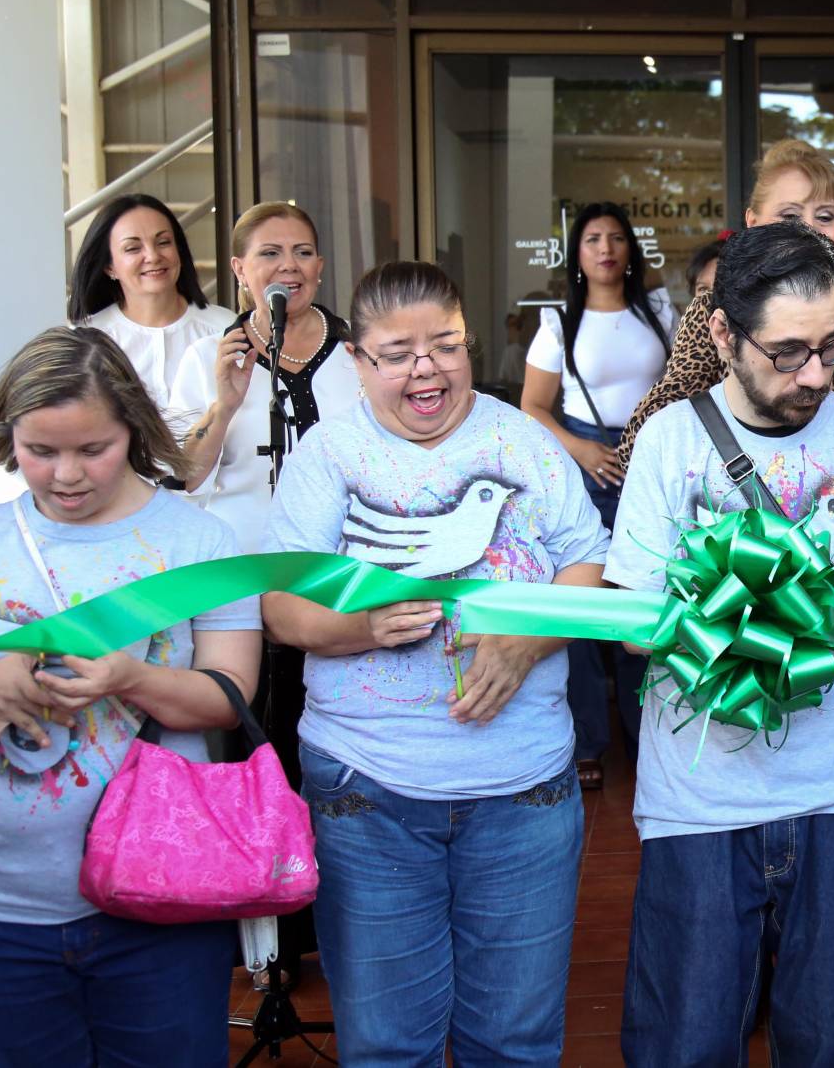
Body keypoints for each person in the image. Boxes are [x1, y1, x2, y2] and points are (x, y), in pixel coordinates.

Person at [611, 137, 834, 1039]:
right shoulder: (669, 443)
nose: (817, 375)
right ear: (723, 333)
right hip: (698, 797)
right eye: (790, 351)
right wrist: (757, 605)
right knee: (687, 1037)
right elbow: (633, 629)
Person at [260, 261, 608, 1067]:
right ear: (358, 362)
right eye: (398, 351)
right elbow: (280, 609)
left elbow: (589, 567)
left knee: (514, 1043)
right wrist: (363, 626)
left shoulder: (519, 437)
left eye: (445, 345)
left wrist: (526, 635)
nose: (426, 367)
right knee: (387, 1047)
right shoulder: (329, 454)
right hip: (367, 793)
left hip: (523, 790)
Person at [0, 326, 261, 1067]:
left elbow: (228, 696)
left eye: (94, 449)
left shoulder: (202, 543)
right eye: (39, 450)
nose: (66, 475)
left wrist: (131, 678)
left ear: (132, 426)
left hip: (161, 901)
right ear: (9, 436)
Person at [616, 139, 834, 483]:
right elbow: (649, 437)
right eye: (789, 215)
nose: (808, 229)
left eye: (825, 216)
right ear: (753, 222)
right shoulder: (717, 311)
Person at [519, 201, 677, 788]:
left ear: (631, 248)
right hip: (584, 463)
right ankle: (588, 740)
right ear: (577, 254)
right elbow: (532, 408)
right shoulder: (559, 322)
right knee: (584, 605)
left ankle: (647, 740)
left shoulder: (660, 310)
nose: (606, 248)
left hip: (648, 457)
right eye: (592, 240)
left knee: (640, 598)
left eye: (615, 238)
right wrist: (579, 449)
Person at [169, 201, 362, 552]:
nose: (289, 265)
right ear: (240, 269)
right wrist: (223, 407)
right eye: (270, 253)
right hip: (244, 562)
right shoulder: (207, 357)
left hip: (347, 559)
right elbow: (185, 480)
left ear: (318, 267)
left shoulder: (359, 349)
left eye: (302, 252)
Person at [67, 193, 233, 411]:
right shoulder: (87, 339)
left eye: (163, 242)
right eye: (133, 248)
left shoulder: (226, 328)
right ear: (109, 266)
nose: (153, 256)